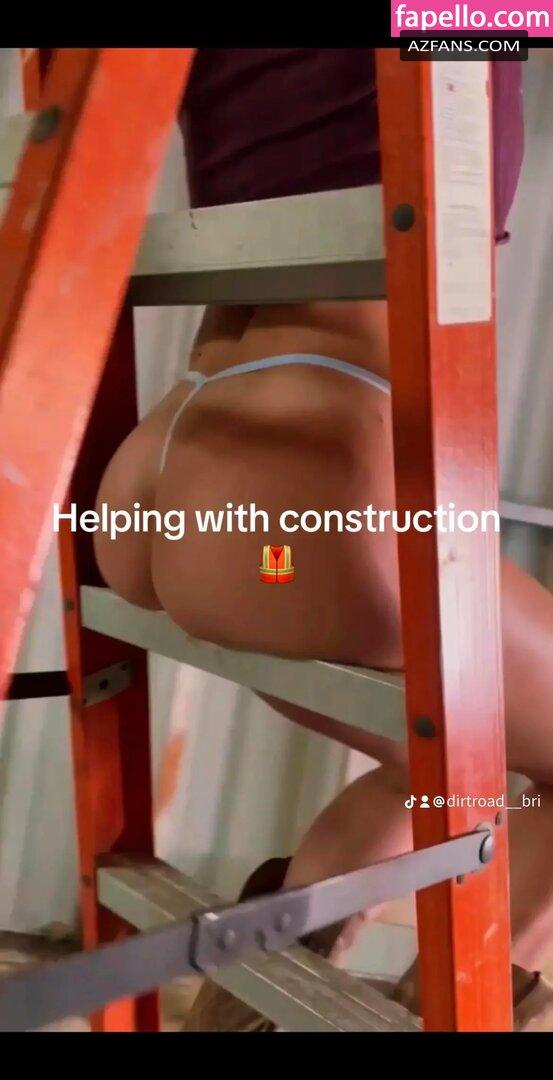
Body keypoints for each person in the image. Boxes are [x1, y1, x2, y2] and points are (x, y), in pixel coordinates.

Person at [93, 51, 553, 1029]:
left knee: (430, 763)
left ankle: (251, 1005)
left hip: (166, 473)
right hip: (300, 494)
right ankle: (457, 1011)